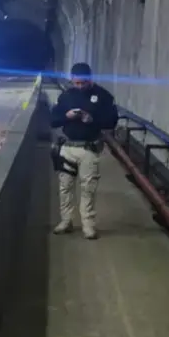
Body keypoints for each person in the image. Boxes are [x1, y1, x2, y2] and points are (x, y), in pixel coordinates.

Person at [49, 62, 119, 239]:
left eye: (83, 83)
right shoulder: (66, 97)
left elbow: (111, 121)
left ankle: (88, 225)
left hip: (89, 148)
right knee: (65, 187)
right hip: (68, 147)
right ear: (72, 80)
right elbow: (53, 120)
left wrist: (92, 119)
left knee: (88, 188)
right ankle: (66, 221)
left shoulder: (103, 96)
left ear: (90, 79)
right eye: (76, 83)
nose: (80, 87)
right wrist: (66, 116)